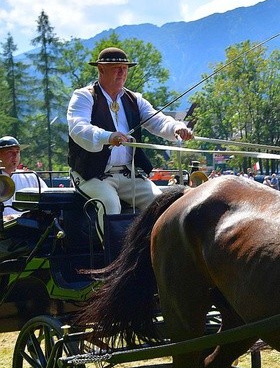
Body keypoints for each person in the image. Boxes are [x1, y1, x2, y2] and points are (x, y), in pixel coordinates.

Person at [67, 47, 193, 240]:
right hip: (91, 174)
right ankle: (114, 262)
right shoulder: (84, 96)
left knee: (160, 203)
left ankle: (153, 257)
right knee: (109, 204)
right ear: (101, 69)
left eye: (125, 68)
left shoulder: (135, 99)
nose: (122, 72)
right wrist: (107, 136)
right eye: (116, 67)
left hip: (128, 174)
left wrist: (176, 128)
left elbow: (158, 120)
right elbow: (78, 128)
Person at [0, 136, 48, 219]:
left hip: (29, 227)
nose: (15, 155)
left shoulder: (31, 177)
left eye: (17, 152)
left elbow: (48, 201)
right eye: (10, 152)